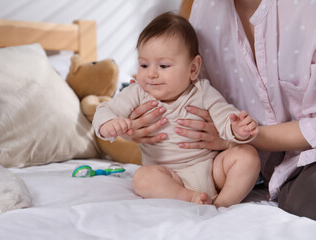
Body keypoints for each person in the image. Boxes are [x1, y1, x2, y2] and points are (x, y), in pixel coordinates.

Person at [126, 0, 316, 219]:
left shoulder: (306, 10)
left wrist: (235, 138)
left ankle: (218, 209)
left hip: (301, 160)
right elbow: (191, 95)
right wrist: (133, 127)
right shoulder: (205, 10)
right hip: (226, 165)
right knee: (143, 177)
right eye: (144, 65)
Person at [93, 12, 260, 207]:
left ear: (193, 69)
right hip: (169, 176)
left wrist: (237, 129)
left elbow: (224, 116)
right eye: (144, 64)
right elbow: (106, 109)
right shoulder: (137, 93)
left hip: (212, 170)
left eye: (163, 65)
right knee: (142, 178)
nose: (151, 74)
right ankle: (189, 197)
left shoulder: (202, 91)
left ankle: (222, 204)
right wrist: (109, 125)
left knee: (248, 156)